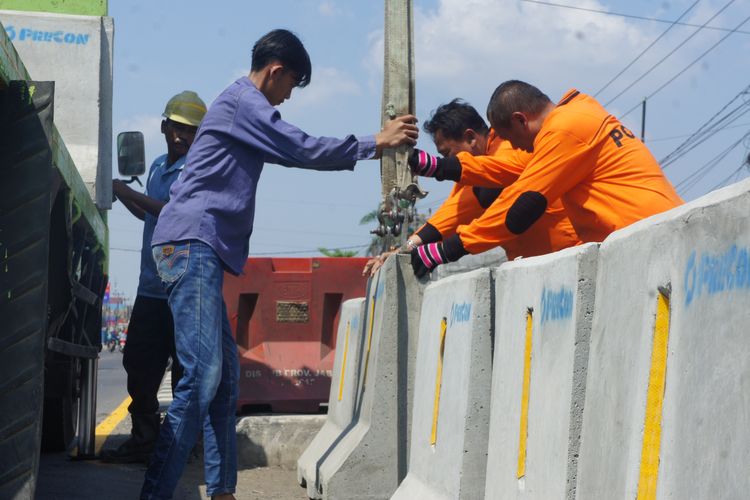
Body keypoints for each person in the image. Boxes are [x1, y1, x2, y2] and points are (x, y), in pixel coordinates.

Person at [141, 29, 418, 500]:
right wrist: (378, 141)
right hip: (192, 244)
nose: (288, 97)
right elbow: (301, 147)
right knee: (202, 379)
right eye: (291, 85)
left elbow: (292, 151)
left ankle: (223, 491)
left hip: (197, 247)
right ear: (276, 71)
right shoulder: (244, 103)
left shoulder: (239, 106)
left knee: (225, 384)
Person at [406, 81, 683, 276]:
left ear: (521, 120)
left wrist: (452, 247)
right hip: (638, 243)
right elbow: (468, 200)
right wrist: (420, 238)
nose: (521, 149)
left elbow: (521, 205)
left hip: (656, 242)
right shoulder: (575, 117)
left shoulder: (563, 130)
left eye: (513, 139)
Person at [101, 91, 207, 464]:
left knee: (184, 372)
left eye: (190, 131)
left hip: (183, 289)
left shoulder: (198, 168)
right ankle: (146, 437)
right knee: (138, 365)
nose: (181, 137)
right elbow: (151, 216)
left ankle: (182, 443)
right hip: (151, 286)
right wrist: (120, 194)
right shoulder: (160, 165)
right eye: (176, 128)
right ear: (163, 127)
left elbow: (172, 212)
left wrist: (124, 190)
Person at [363, 98, 579, 278]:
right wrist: (405, 248)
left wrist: (437, 167)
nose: (447, 160)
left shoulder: (510, 146)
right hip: (533, 271)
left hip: (569, 260)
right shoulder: (471, 174)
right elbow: (453, 214)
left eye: (447, 153)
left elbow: (496, 177)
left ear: (470, 138)